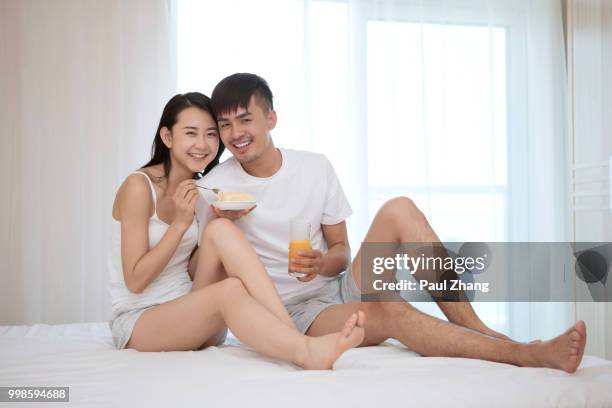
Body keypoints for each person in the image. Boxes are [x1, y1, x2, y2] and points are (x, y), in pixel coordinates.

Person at [195, 73, 587, 373]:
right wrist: (215, 220)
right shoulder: (215, 188)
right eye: (225, 125)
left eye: (244, 120)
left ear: (271, 118)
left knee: (399, 208)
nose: (235, 134)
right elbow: (201, 271)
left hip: (337, 284)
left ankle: (479, 328)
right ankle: (524, 354)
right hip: (295, 314)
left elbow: (340, 252)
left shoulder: (314, 167)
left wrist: (321, 262)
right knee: (390, 309)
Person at [108, 92, 365, 369]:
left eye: (210, 134)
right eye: (191, 133)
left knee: (220, 230)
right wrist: (181, 224)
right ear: (168, 138)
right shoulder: (139, 186)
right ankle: (303, 349)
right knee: (230, 289)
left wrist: (221, 221)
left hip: (196, 312)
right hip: (142, 320)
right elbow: (135, 280)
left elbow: (192, 268)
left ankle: (289, 332)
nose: (202, 145)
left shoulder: (203, 189)